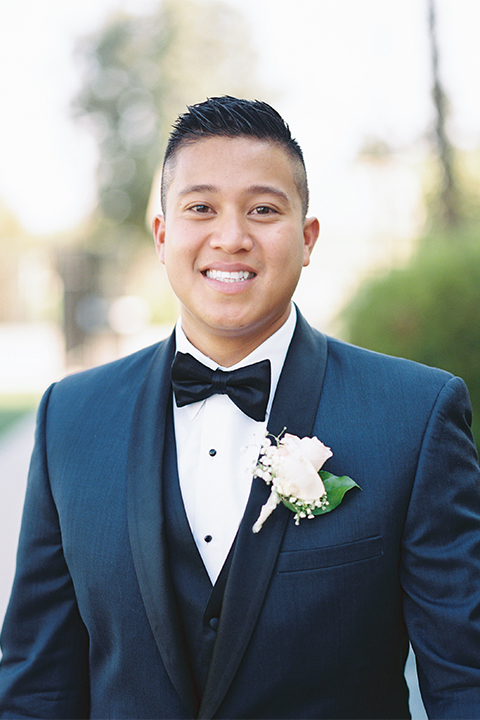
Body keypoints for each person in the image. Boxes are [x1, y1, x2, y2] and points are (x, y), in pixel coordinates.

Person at [1, 96, 480, 720]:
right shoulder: (70, 417)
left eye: (262, 210)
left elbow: (464, 682)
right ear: (163, 234)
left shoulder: (415, 416)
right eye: (201, 208)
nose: (231, 237)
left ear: (307, 239)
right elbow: (37, 687)